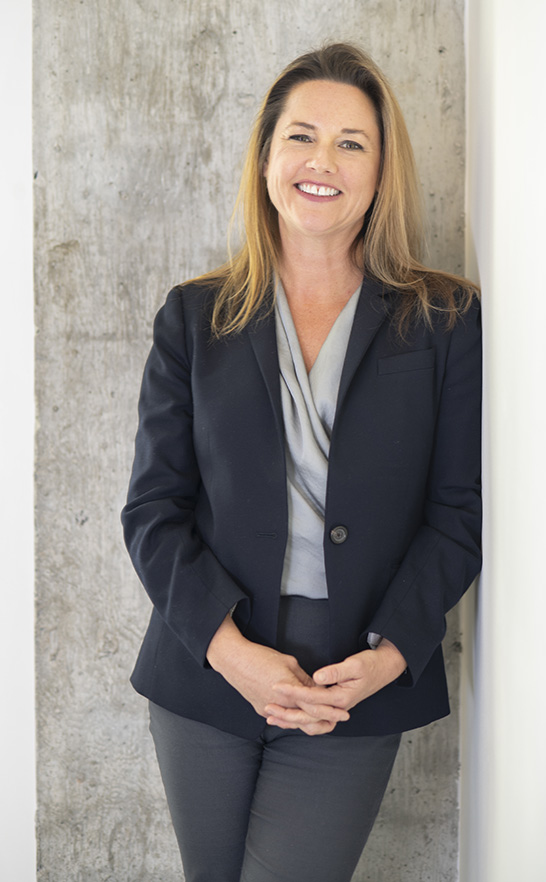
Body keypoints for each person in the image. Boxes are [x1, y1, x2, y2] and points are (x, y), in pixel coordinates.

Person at [122, 42, 482, 882]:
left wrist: (392, 656)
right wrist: (227, 651)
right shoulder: (193, 318)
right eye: (302, 137)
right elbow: (153, 509)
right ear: (265, 157)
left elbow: (460, 512)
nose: (323, 161)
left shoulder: (443, 321)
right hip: (207, 675)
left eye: (353, 142)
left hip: (349, 690)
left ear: (382, 170)